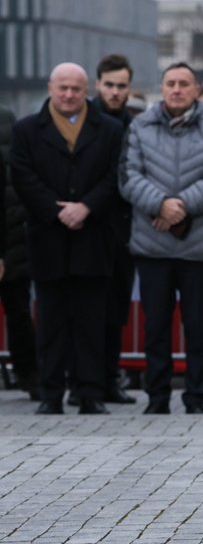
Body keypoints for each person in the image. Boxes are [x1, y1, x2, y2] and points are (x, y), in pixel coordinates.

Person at [119, 62, 203, 414]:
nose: (178, 89)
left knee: (197, 327)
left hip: (198, 246)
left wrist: (180, 206)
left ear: (196, 90)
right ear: (162, 88)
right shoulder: (139, 127)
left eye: (184, 83)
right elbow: (127, 176)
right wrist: (160, 204)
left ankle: (195, 396)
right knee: (155, 327)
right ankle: (157, 397)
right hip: (152, 246)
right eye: (171, 83)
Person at [10, 63, 122, 415]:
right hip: (48, 238)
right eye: (63, 88)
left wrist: (86, 206)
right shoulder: (27, 130)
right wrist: (56, 210)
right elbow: (22, 176)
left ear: (86, 88)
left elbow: (116, 175)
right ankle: (51, 392)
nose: (69, 95)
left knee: (91, 321)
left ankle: (90, 392)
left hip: (94, 237)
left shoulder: (110, 129)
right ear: (50, 87)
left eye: (76, 88)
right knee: (51, 322)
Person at [91, 53, 137, 405]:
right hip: (90, 228)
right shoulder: (87, 122)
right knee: (87, 312)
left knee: (115, 313)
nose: (115, 92)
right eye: (109, 85)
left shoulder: (134, 125)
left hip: (123, 233)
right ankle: (88, 381)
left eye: (121, 86)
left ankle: (109, 378)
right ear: (98, 85)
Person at [0, 107, 35, 400]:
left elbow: (17, 179)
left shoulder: (9, 121)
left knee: (19, 312)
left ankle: (29, 373)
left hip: (11, 236)